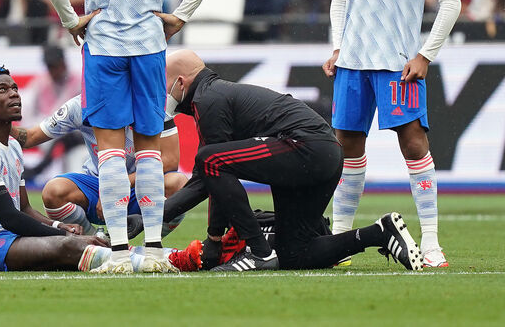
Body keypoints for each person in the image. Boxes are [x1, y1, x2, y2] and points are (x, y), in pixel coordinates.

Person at [40, 0, 220, 273]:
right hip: (149, 43)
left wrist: (71, 20)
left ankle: (119, 253)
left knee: (109, 153)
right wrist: (180, 16)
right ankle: (155, 251)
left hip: (103, 46)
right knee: (150, 151)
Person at [159, 49, 425, 272]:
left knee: (209, 159)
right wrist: (211, 237)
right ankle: (379, 232)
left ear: (181, 83)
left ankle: (259, 252)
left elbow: (207, 173)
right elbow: (210, 178)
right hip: (324, 153)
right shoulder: (215, 94)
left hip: (306, 148)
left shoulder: (208, 100)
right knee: (295, 254)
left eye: (164, 85)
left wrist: (202, 234)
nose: (161, 95)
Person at [323, 0, 461, 269]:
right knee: (347, 147)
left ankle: (432, 243)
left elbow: (450, 1)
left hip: (398, 61)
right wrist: (337, 46)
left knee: (413, 142)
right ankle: (340, 244)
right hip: (353, 63)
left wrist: (425, 54)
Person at [0, 64, 114, 273]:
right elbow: (10, 217)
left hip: (10, 237)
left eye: (14, 88)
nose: (14, 94)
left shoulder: (14, 146)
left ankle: (137, 257)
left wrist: (57, 226)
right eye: (2, 90)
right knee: (70, 246)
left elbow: (24, 208)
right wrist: (66, 236)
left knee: (74, 248)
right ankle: (134, 259)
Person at [12, 94, 188, 236]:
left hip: (140, 185)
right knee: (53, 191)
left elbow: (170, 161)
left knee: (180, 184)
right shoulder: (79, 106)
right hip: (97, 185)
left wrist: (118, 186)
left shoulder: (154, 101)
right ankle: (94, 242)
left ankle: (150, 247)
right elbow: (30, 137)